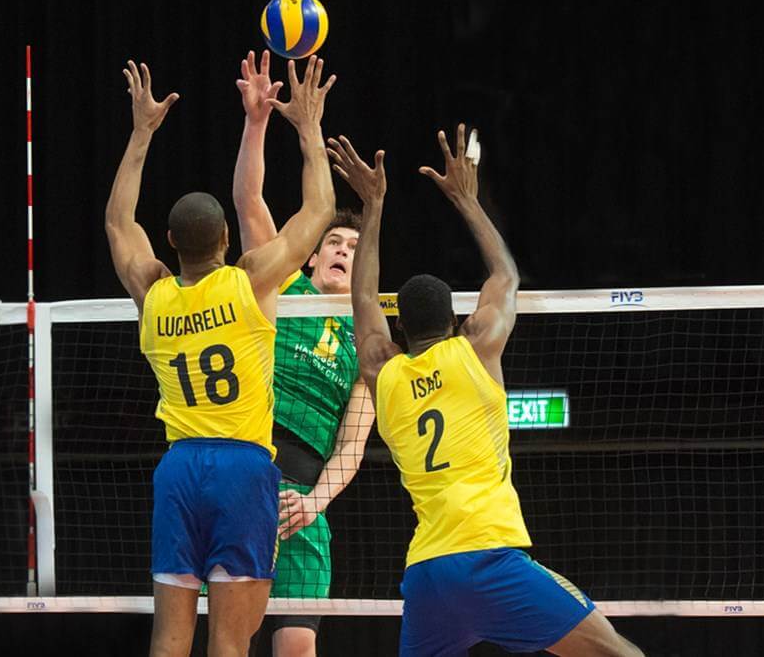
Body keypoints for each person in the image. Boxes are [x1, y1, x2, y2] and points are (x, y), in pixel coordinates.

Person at [338, 124, 643, 656]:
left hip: (428, 574)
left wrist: (374, 206)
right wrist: (465, 199)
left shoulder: (382, 371)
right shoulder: (475, 348)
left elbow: (363, 300)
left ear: (400, 332)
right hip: (488, 558)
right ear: (457, 319)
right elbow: (505, 274)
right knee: (620, 653)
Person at [104, 57, 336, 657]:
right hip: (243, 472)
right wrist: (307, 129)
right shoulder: (250, 282)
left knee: (168, 639)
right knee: (231, 642)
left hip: (179, 469)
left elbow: (117, 221)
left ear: (172, 242)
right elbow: (317, 214)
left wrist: (141, 132)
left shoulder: (152, 293)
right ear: (228, 242)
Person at [231, 49, 376, 657]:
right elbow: (249, 204)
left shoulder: (369, 342)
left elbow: (352, 446)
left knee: (297, 649)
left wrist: (312, 505)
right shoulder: (281, 285)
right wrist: (257, 123)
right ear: (313, 256)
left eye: (355, 245)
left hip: (306, 501)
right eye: (334, 241)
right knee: (228, 641)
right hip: (248, 475)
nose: (343, 249)